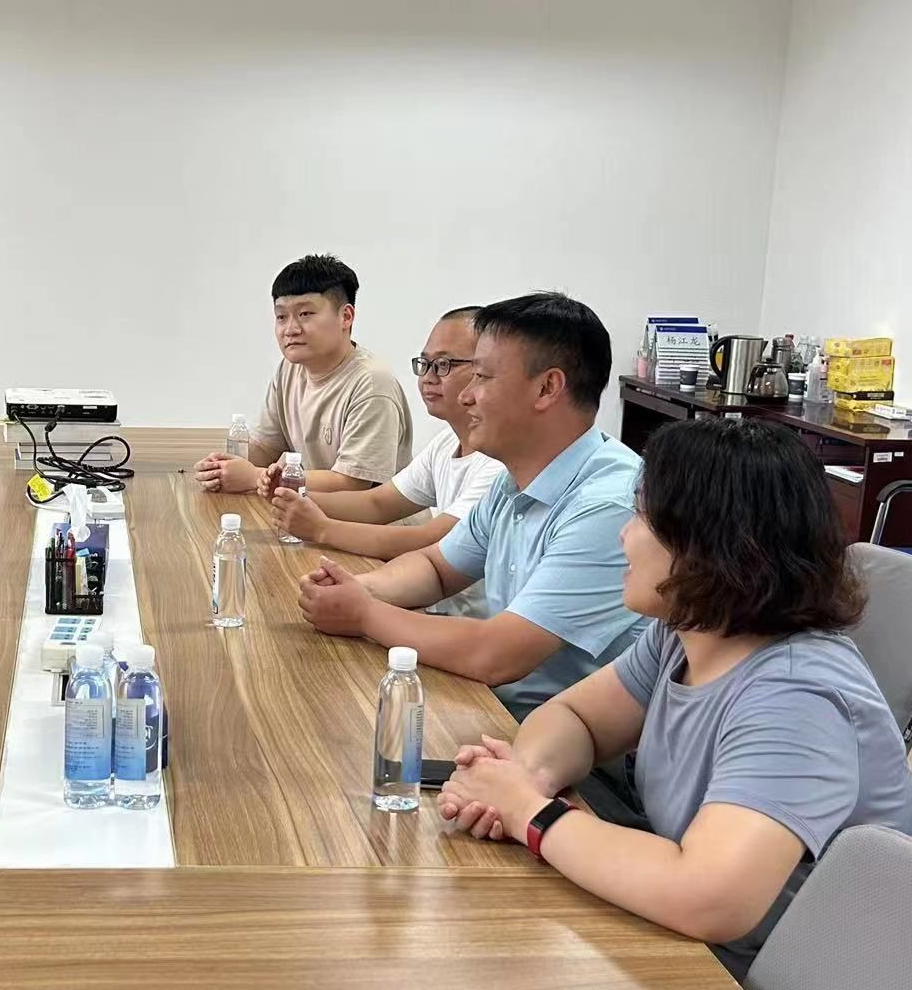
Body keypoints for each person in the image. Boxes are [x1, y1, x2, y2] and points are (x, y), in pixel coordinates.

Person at [438, 417, 912, 978]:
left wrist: (532, 813)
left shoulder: (797, 695)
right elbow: (578, 717)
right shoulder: (686, 633)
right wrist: (527, 777)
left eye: (642, 516)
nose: (624, 535)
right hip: (706, 947)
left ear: (710, 545)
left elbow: (709, 898)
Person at [297, 292, 644, 716]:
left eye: (482, 376)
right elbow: (436, 568)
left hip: (562, 742)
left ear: (547, 388)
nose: (466, 396)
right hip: (494, 706)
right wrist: (358, 589)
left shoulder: (608, 505)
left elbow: (498, 654)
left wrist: (364, 614)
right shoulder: (514, 479)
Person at [268, 306, 502, 618]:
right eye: (425, 364)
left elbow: (433, 541)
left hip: (463, 623)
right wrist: (293, 497)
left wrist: (322, 529)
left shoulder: (499, 461)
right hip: (431, 609)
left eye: (445, 364)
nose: (428, 377)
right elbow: (378, 503)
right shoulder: (447, 442)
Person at [192, 254, 411, 496]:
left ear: (346, 317)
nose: (290, 329)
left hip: (366, 518)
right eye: (281, 317)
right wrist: (221, 468)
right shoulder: (289, 369)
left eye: (305, 314)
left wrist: (253, 477)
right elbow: (267, 447)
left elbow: (352, 483)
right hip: (310, 510)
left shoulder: (372, 383)